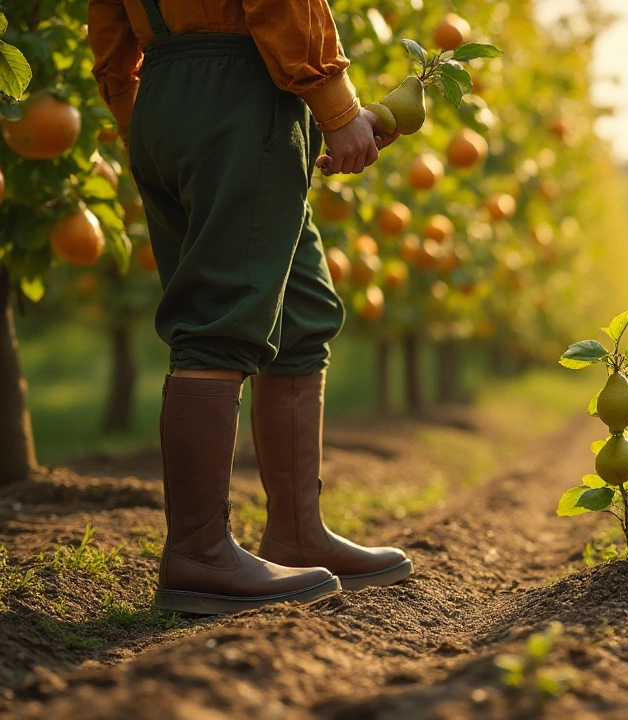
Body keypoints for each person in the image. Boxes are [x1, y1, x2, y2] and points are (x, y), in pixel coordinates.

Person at [87, 0, 411, 615]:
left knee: (301, 308)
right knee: (221, 318)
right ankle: (198, 553)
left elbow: (106, 15)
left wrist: (141, 111)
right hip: (239, 88)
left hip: (164, 89)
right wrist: (337, 108)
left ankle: (296, 531)